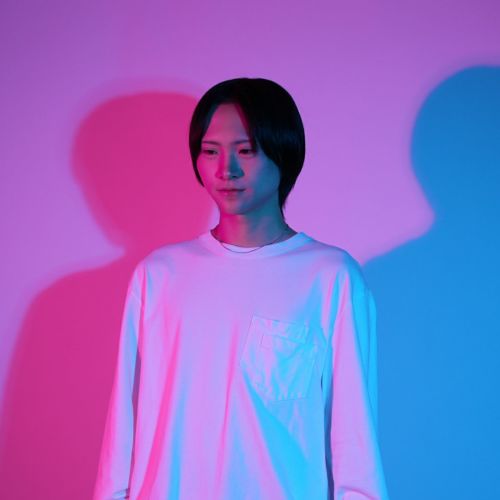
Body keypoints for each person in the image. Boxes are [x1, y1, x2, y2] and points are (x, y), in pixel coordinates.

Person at [93, 77, 389, 499]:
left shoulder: (329, 278)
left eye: (245, 151)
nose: (225, 170)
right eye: (210, 151)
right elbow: (123, 422)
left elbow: (354, 439)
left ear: (283, 151)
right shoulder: (160, 275)